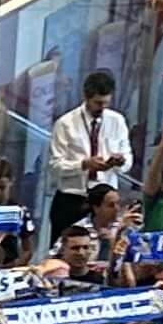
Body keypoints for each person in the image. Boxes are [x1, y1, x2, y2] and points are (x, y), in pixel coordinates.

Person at [46, 69, 133, 237]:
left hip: (105, 199)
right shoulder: (65, 123)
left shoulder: (117, 121)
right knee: (65, 251)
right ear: (86, 97)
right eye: (98, 103)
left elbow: (128, 159)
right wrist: (84, 165)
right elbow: (54, 166)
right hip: (73, 198)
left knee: (105, 250)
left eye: (106, 103)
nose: (102, 108)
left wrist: (119, 162)